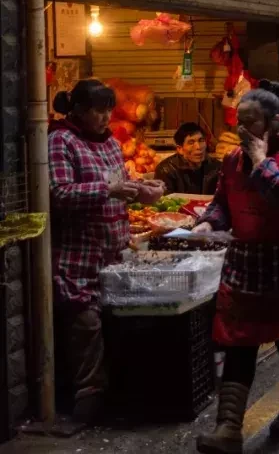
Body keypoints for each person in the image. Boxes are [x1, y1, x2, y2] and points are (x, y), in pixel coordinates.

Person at [193, 81, 279, 454]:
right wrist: (208, 222)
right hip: (246, 259)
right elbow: (222, 202)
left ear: (273, 123)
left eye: (250, 122)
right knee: (239, 338)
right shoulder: (232, 160)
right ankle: (229, 428)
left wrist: (260, 160)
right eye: (239, 121)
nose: (241, 130)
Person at [49, 79, 165, 423]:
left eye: (108, 110)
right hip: (77, 258)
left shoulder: (112, 143)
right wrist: (109, 189)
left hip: (114, 256)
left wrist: (142, 190)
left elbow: (119, 187)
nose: (105, 117)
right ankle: (85, 406)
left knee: (115, 328)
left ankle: (112, 400)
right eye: (98, 111)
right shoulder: (61, 141)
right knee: (85, 328)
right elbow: (59, 193)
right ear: (79, 111)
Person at [155, 122, 222, 195]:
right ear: (180, 149)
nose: (198, 147)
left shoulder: (217, 167)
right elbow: (164, 202)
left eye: (201, 140)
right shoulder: (166, 170)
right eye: (191, 142)